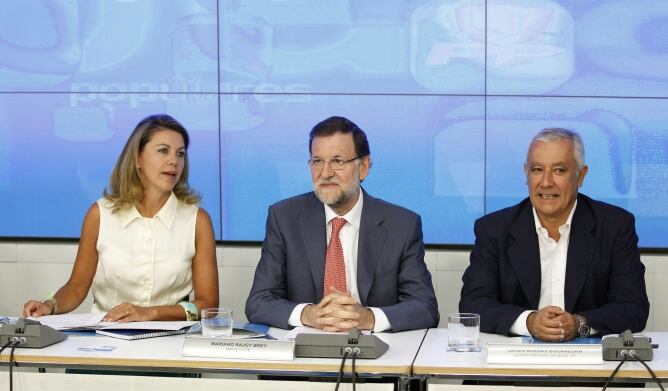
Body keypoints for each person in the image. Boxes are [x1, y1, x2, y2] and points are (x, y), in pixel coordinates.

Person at [245, 116, 439, 332]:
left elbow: (425, 308)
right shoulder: (284, 217)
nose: (325, 173)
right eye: (317, 161)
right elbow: (258, 302)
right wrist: (310, 314)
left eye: (337, 161)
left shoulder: (401, 225)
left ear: (363, 167)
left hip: (376, 354)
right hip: (303, 352)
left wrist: (367, 318)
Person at [459, 128, 649, 341]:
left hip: (591, 368)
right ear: (526, 174)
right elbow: (473, 304)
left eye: (559, 170)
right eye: (537, 169)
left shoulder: (615, 226)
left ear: (581, 175)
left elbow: (633, 308)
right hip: (512, 367)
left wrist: (579, 324)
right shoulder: (494, 228)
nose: (546, 182)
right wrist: (529, 321)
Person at [24, 114, 218, 322]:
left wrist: (151, 313)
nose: (174, 161)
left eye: (180, 154)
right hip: (106, 337)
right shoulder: (100, 214)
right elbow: (77, 287)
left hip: (171, 340)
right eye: (163, 151)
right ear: (137, 159)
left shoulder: (198, 220)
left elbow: (208, 304)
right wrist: (49, 305)